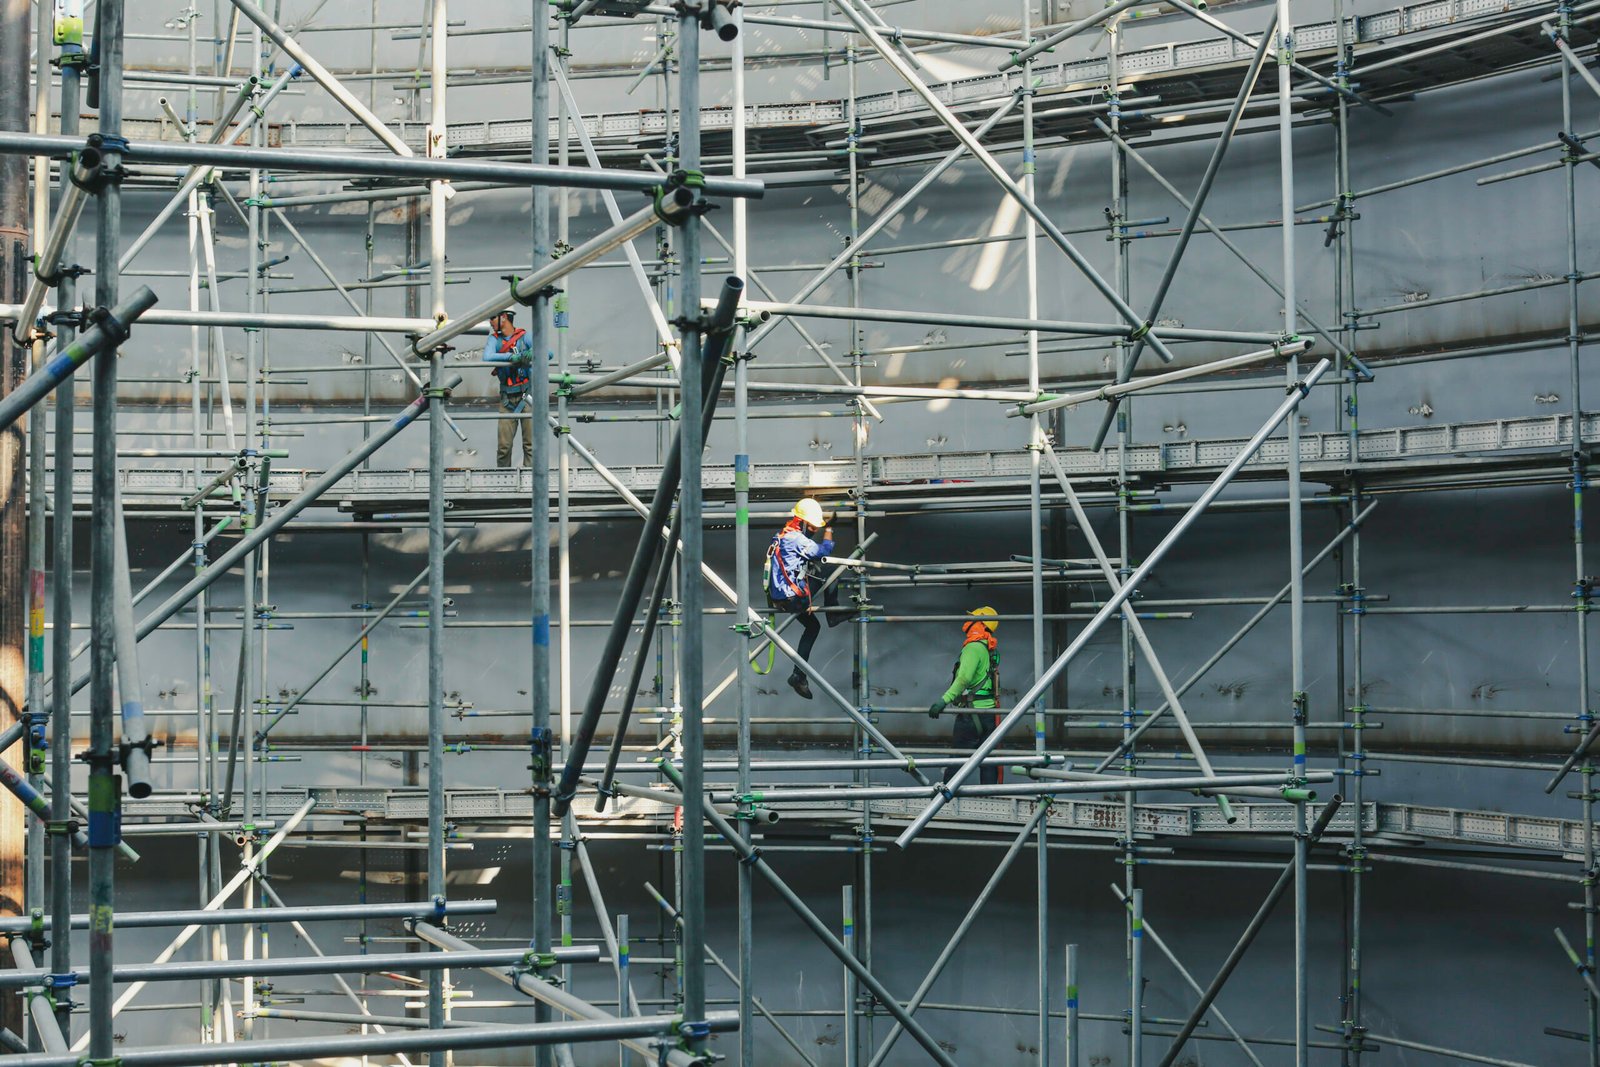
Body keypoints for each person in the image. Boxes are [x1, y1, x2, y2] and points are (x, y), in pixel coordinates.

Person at [764, 498, 835, 700]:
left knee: (812, 627)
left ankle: (799, 675)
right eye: (812, 526)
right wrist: (829, 530)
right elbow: (823, 551)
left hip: (781, 598)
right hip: (794, 598)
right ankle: (834, 614)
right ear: (803, 522)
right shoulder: (796, 539)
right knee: (830, 570)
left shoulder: (780, 536)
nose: (814, 529)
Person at [928, 607, 1001, 784]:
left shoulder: (973, 648)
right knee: (988, 762)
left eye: (973, 619)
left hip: (971, 715)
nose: (968, 623)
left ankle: (944, 802)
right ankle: (990, 799)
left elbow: (963, 679)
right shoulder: (989, 649)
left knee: (957, 761)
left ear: (982, 624)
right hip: (988, 715)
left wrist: (943, 701)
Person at [483, 309, 535, 468]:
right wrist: (512, 357)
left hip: (527, 397)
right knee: (504, 447)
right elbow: (487, 356)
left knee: (530, 445)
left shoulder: (525, 336)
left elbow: (549, 353)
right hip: (507, 399)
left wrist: (533, 352)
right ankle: (503, 480)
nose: (490, 322)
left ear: (504, 317)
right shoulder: (494, 340)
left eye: (493, 318)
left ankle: (531, 483)